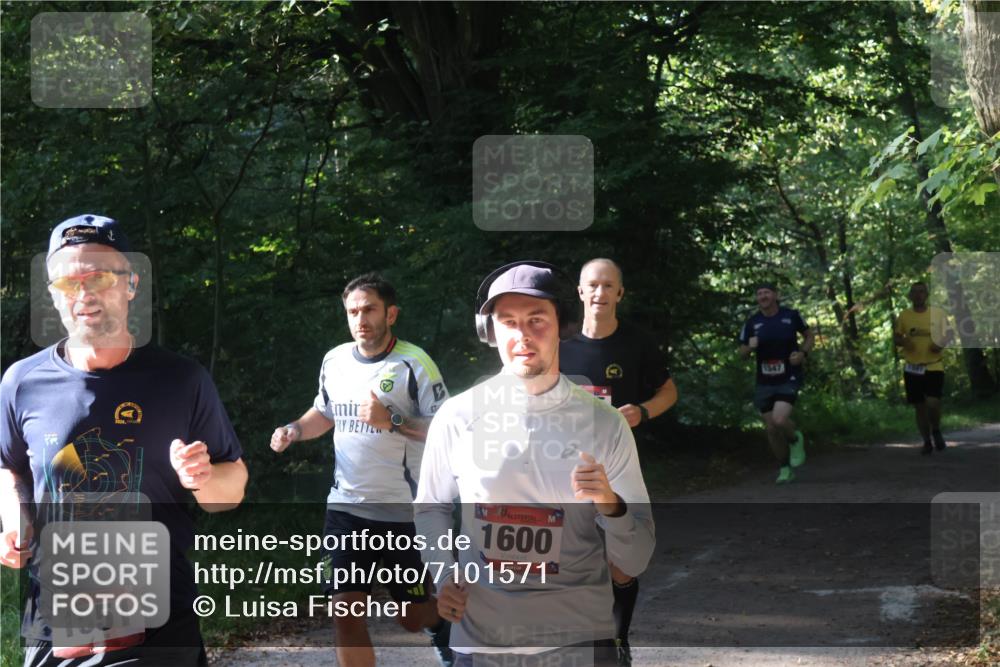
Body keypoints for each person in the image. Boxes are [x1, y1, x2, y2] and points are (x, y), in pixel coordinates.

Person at [0, 214, 248, 666]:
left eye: (98, 277)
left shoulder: (182, 379)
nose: (85, 295)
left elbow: (229, 492)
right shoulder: (22, 382)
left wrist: (204, 477)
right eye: (68, 284)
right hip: (56, 628)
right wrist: (15, 519)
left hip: (157, 632)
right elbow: (8, 465)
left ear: (131, 283)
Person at [414, 261, 655, 667]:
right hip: (482, 642)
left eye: (536, 320)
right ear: (489, 332)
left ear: (562, 325)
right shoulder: (458, 416)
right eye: (508, 322)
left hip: (579, 641)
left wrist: (610, 505)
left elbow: (636, 559)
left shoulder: (605, 424)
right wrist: (443, 572)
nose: (522, 335)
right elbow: (431, 505)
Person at [270, 272, 452, 667]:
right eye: (353, 311)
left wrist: (394, 421)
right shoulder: (335, 360)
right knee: (345, 612)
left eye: (369, 309)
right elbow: (324, 412)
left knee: (411, 616)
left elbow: (446, 430)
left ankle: (441, 620)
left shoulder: (414, 363)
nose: (360, 318)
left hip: (406, 513)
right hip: (347, 508)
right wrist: (294, 429)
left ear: (392, 314)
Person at [558, 258, 676, 667]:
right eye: (592, 285)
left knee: (621, 565)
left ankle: (618, 640)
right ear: (580, 291)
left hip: (620, 470)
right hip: (565, 472)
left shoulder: (637, 343)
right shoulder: (559, 347)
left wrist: (642, 412)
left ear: (619, 293)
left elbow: (669, 391)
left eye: (608, 286)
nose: (600, 293)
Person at [737, 282, 814, 484]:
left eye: (767, 292)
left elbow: (809, 336)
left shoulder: (791, 315)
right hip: (764, 381)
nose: (763, 296)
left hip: (789, 376)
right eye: (759, 294)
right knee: (771, 428)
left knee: (779, 420)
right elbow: (741, 353)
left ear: (775, 295)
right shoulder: (752, 323)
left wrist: (803, 353)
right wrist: (750, 348)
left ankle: (795, 439)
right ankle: (785, 468)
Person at [893, 281, 954, 455]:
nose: (918, 295)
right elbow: (896, 338)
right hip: (913, 367)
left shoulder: (938, 314)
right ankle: (927, 441)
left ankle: (936, 429)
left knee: (933, 403)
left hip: (934, 365)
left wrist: (939, 344)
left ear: (926, 295)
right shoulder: (904, 316)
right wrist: (905, 342)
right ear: (910, 296)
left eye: (922, 292)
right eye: (915, 292)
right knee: (919, 407)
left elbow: (949, 333)